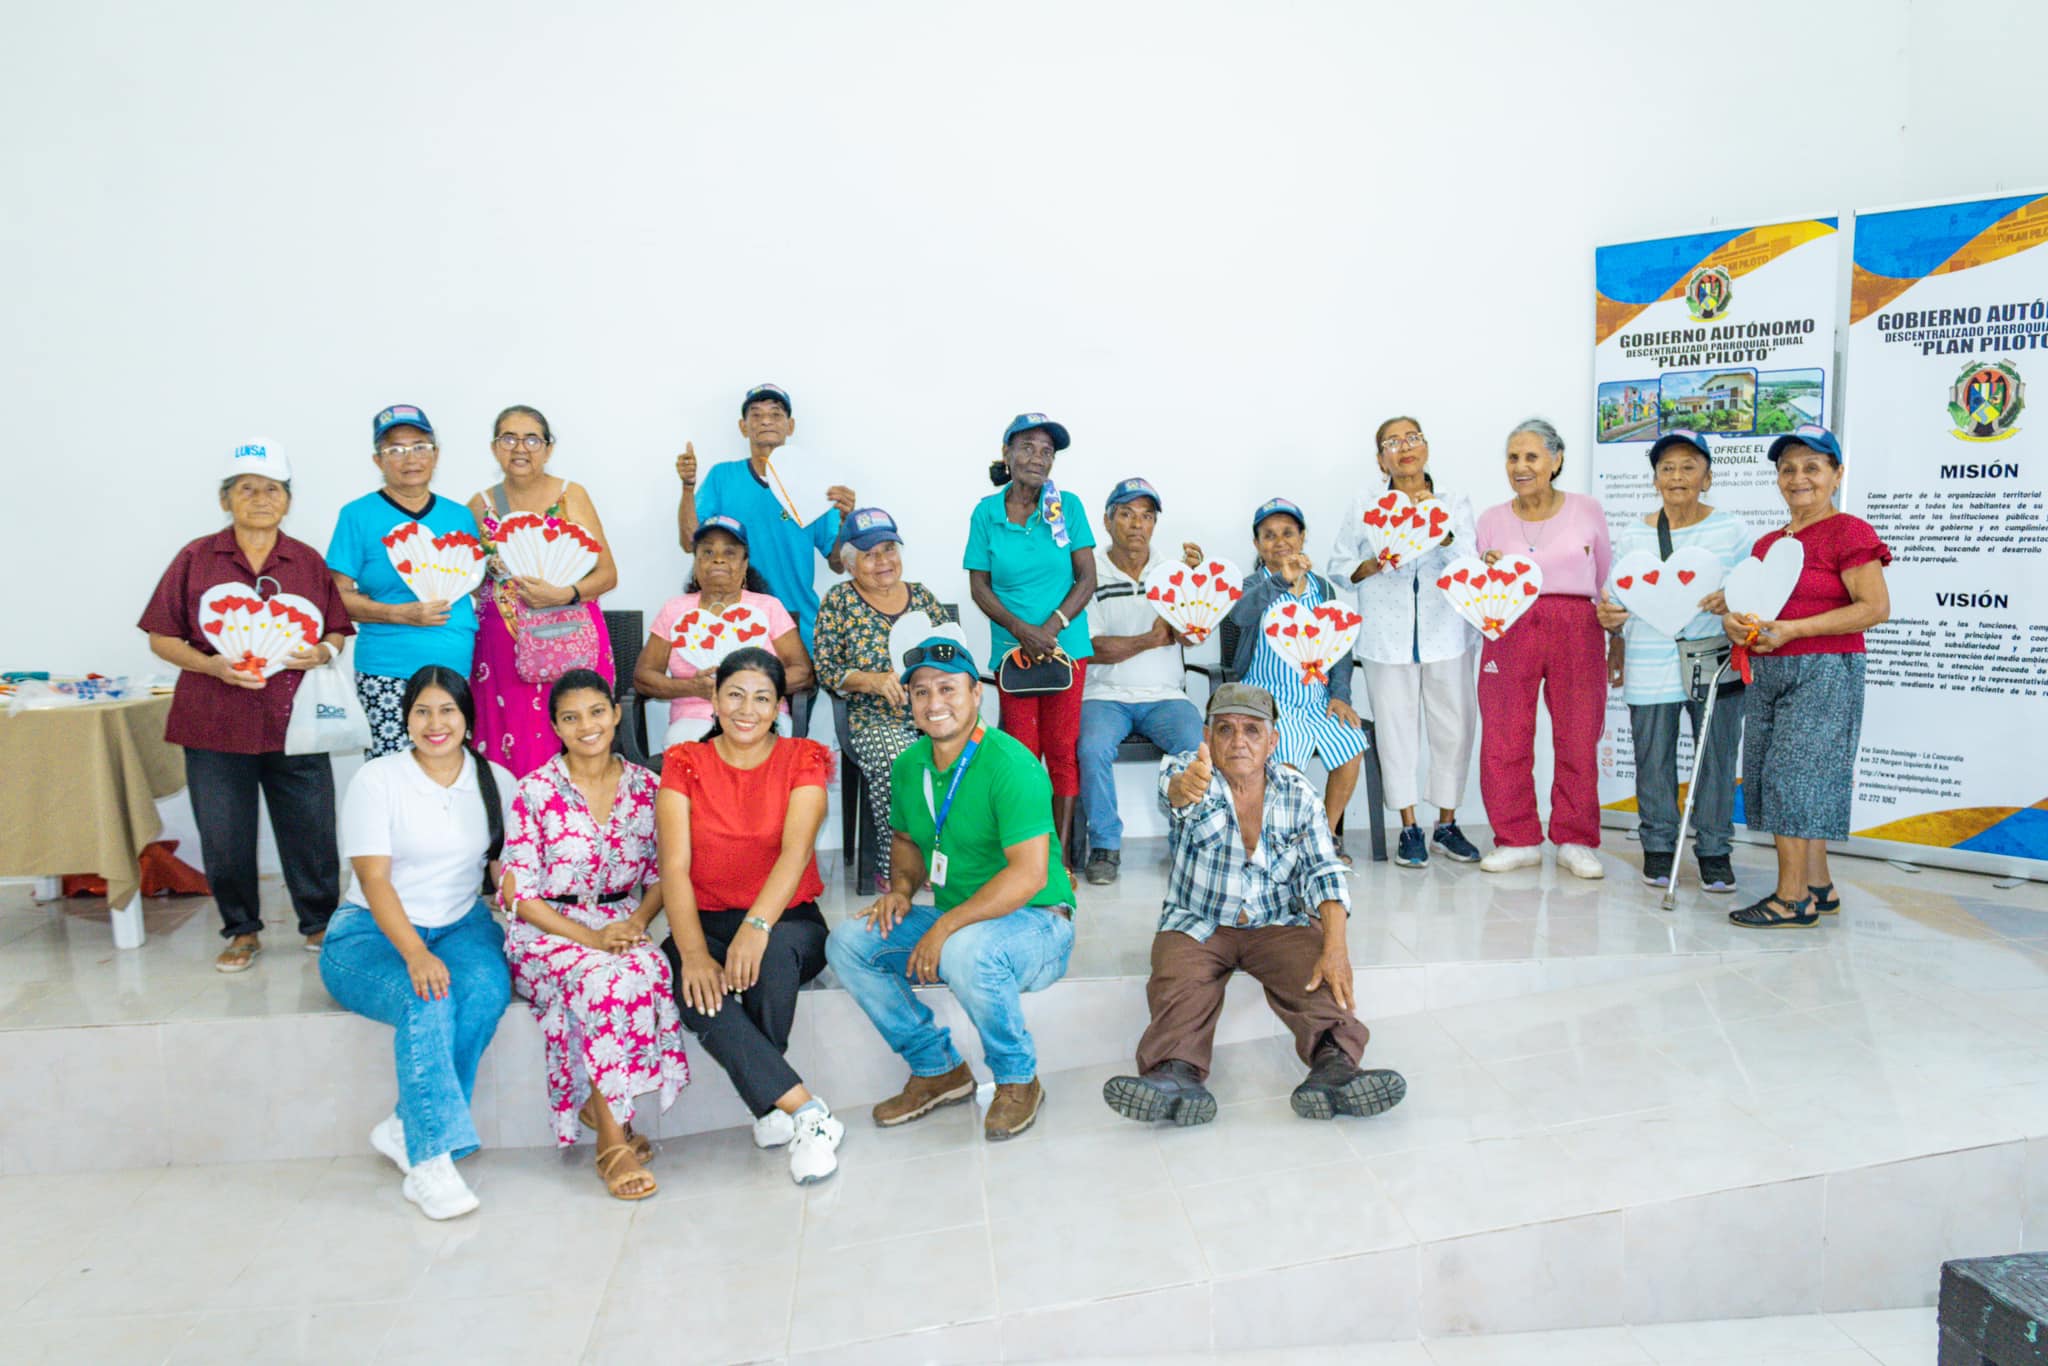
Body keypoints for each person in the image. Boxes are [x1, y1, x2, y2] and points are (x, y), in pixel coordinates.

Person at [1103, 684, 1407, 1126]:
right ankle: (1174, 1076)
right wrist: (1184, 788)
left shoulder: (1298, 792)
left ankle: (1335, 1070)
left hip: (1278, 922)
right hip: (1198, 922)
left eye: (1251, 730)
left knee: (1318, 979)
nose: (1238, 741)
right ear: (1207, 737)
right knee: (1178, 983)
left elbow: (1324, 870)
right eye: (1225, 729)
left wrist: (1336, 947)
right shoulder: (1189, 770)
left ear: (1272, 741)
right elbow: (1176, 793)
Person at [825, 636, 1076, 1142]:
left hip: (1038, 921)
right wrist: (901, 889)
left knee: (964, 950)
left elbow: (1028, 876)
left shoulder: (1011, 763)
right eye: (921, 692)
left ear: (976, 694)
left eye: (947, 688)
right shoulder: (908, 765)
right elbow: (905, 840)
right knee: (848, 943)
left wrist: (944, 928)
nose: (934, 702)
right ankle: (937, 1068)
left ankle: (1018, 1079)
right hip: (963, 920)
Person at [139, 442, 353, 971]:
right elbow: (161, 636)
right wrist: (212, 666)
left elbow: (335, 629)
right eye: (247, 489)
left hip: (295, 721)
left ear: (288, 500)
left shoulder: (306, 561)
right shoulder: (196, 558)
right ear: (225, 499)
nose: (260, 499)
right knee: (224, 833)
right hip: (213, 720)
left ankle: (319, 923)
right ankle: (241, 930)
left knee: (311, 828)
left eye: (272, 489)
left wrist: (323, 653)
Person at [319, 666, 513, 1221]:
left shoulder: (496, 780)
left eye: (447, 710)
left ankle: (408, 1126)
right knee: (426, 998)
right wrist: (415, 953)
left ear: (467, 717)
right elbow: (374, 880)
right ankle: (431, 1161)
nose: (435, 724)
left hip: (460, 924)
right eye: (422, 711)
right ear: (405, 718)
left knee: (484, 991)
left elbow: (503, 867)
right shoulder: (377, 780)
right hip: (370, 934)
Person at [655, 648, 844, 1184]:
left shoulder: (803, 757)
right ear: (713, 700)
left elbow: (795, 853)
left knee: (773, 960)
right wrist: (694, 953)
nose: (747, 709)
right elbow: (674, 866)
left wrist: (756, 928)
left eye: (762, 698)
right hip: (706, 920)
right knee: (689, 982)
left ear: (778, 706)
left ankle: (769, 1105)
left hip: (788, 918)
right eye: (735, 695)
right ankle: (805, 1111)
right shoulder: (684, 762)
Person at [498, 670, 688, 1200]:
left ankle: (597, 1106)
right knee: (604, 978)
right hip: (546, 930)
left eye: (597, 711)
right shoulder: (535, 790)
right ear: (556, 726)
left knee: (649, 966)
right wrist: (590, 939)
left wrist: (637, 922)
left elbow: (663, 874)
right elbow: (520, 896)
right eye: (571, 717)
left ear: (616, 713)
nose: (587, 725)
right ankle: (612, 1140)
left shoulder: (647, 787)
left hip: (621, 920)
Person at [1717, 426, 1891, 928]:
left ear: (1837, 474)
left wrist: (1794, 630)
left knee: (1794, 780)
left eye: (1812, 467)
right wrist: (1733, 622)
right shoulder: (1769, 542)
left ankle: (1792, 899)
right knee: (1779, 777)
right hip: (1768, 670)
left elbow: (1875, 608)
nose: (1799, 478)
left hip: (1825, 669)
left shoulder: (1849, 532)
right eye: (1788, 469)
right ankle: (1819, 885)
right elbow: (1752, 606)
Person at [1594, 433, 1752, 892]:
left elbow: (1754, 590)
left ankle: (1715, 852)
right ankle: (1659, 847)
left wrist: (1733, 598)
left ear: (1707, 477)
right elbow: (1615, 599)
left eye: (1688, 467)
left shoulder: (1732, 530)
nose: (1677, 476)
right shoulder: (1634, 534)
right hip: (1649, 660)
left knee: (1717, 758)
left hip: (1715, 661)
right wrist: (1609, 622)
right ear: (1655, 479)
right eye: (1667, 468)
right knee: (1653, 759)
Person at [1326, 418, 1484, 869]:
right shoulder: (1365, 505)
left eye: (1412, 438)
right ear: (1381, 460)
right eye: (1392, 442)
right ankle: (1409, 827)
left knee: (1454, 728)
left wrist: (1440, 528)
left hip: (1447, 631)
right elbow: (1339, 567)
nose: (1404, 447)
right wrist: (1372, 564)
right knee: (1396, 732)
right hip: (1386, 637)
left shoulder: (1453, 500)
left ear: (1426, 447)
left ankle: (1447, 825)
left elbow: (1469, 563)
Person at [1473, 418, 1613, 879]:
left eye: (1532, 456)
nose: (1521, 466)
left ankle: (1576, 839)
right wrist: (1488, 568)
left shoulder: (1587, 509)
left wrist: (1616, 635)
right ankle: (1516, 838)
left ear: (1556, 460)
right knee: (1504, 734)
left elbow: (1605, 577)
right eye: (1513, 457)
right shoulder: (1491, 519)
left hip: (1577, 624)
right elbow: (1478, 585)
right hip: (1509, 624)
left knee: (1578, 733)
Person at [675, 383, 854, 733]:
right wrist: (686, 487)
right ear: (743, 427)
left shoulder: (813, 485)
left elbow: (836, 562)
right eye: (755, 415)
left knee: (784, 737)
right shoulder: (723, 477)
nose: (766, 421)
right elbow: (688, 541)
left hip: (797, 624)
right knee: (728, 730)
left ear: (791, 425)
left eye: (775, 414)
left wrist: (846, 520)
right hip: (730, 622)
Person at [966, 413, 1098, 859]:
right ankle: (1026, 853)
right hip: (1013, 654)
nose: (1037, 458)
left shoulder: (1068, 507)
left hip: (1065, 649)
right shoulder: (986, 513)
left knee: (1061, 750)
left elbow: (1087, 579)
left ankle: (1058, 859)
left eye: (1047, 451)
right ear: (1007, 454)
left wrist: (1050, 628)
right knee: (1022, 752)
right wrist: (1023, 632)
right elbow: (979, 587)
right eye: (1027, 447)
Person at [468, 405, 620, 777]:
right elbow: (468, 580)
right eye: (509, 438)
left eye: (532, 439)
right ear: (494, 447)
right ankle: (517, 815)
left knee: (577, 740)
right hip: (502, 651)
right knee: (510, 748)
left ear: (549, 449)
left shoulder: (571, 496)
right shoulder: (478, 506)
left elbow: (607, 574)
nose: (521, 448)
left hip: (571, 643)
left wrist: (564, 593)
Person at [810, 507, 955, 889]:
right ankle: (899, 866)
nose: (883, 561)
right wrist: (872, 681)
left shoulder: (922, 596)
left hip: (933, 713)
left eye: (889, 549)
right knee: (900, 759)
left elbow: (953, 653)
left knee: (976, 750)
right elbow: (826, 668)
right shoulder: (839, 601)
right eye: (870, 555)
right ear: (850, 563)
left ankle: (951, 859)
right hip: (872, 718)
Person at [327, 405, 483, 758]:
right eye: (395, 450)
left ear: (436, 455)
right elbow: (336, 597)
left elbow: (475, 584)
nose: (410, 458)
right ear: (377, 460)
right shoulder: (357, 515)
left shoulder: (460, 516)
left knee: (451, 771)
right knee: (390, 773)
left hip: (456, 668)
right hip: (388, 670)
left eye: (419, 447)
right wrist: (400, 614)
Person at [1221, 497, 1366, 862]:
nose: (1280, 541)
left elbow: (1340, 648)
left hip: (1317, 700)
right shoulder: (1250, 585)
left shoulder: (1323, 590)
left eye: (1288, 533)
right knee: (1286, 752)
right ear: (1257, 545)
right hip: (1267, 701)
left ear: (1302, 537)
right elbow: (1239, 617)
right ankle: (1288, 839)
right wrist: (1281, 580)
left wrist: (1341, 695)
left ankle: (1325, 835)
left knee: (1351, 743)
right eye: (1269, 536)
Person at [1077, 477, 1206, 885]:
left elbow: (1191, 636)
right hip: (1104, 695)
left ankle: (1188, 839)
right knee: (1091, 747)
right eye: (1127, 514)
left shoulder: (1172, 571)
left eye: (1147, 516)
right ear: (1107, 521)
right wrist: (1150, 639)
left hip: (1166, 696)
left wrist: (1199, 592)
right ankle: (1105, 845)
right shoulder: (1088, 572)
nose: (1137, 524)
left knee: (1197, 747)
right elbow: (1091, 648)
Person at [635, 516, 813, 748]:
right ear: (696, 563)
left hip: (761, 714)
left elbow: (803, 673)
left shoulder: (769, 607)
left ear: (745, 564)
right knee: (689, 750)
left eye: (729, 553)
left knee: (763, 748)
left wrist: (750, 688)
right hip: (696, 718)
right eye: (708, 552)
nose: (718, 559)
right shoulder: (674, 610)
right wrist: (692, 687)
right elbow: (644, 676)